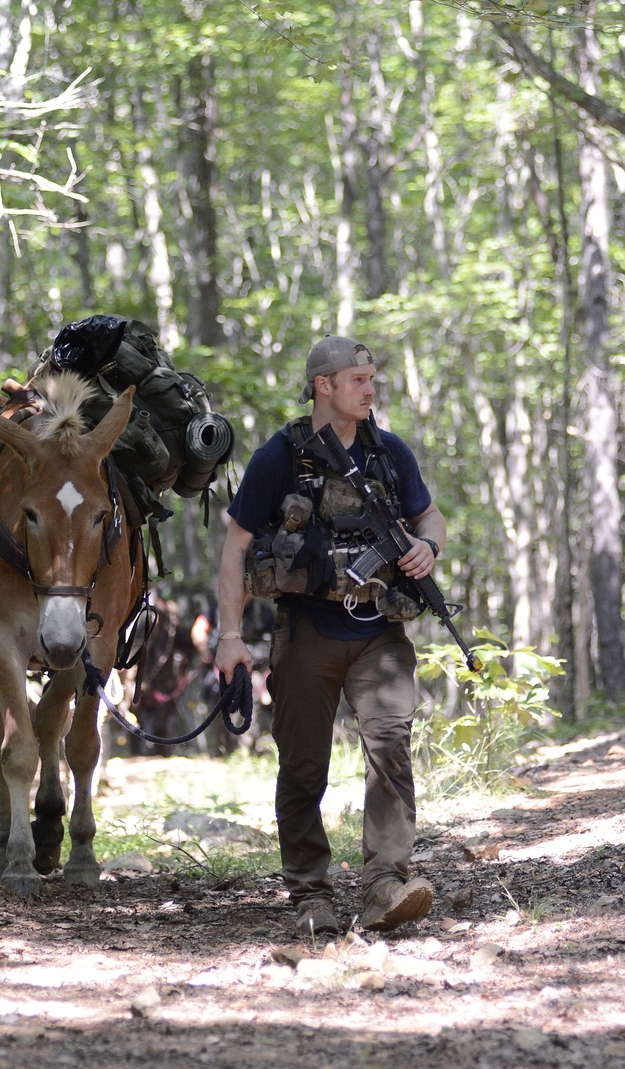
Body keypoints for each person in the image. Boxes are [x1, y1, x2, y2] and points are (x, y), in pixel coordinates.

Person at [216, 335, 446, 937]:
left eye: (372, 379)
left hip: (381, 633)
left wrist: (428, 546)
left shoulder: (389, 453)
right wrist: (230, 636)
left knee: (391, 748)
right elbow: (238, 544)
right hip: (307, 630)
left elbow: (429, 515)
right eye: (359, 380)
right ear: (324, 386)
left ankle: (384, 884)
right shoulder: (278, 458)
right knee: (303, 766)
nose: (371, 390)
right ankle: (310, 893)